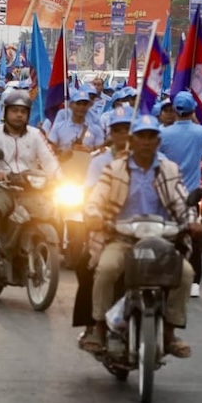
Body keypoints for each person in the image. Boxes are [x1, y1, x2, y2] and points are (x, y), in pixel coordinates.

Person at [81, 114, 198, 357]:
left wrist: (192, 221)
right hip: (122, 238)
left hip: (161, 240)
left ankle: (169, 332)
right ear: (132, 141)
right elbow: (96, 199)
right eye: (141, 137)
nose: (146, 142)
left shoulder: (168, 169)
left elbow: (180, 202)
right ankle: (99, 328)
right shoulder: (114, 169)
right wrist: (93, 214)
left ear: (158, 142)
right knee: (105, 269)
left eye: (151, 137)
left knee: (186, 273)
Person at [0, 90, 60, 270]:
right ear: (5, 112)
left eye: (23, 111)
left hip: (31, 187)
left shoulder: (36, 135)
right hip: (1, 185)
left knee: (52, 210)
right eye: (14, 110)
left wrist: (58, 178)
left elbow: (49, 160)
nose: (19, 115)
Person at [73, 106, 134, 346]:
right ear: (111, 134)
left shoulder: (155, 162)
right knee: (86, 267)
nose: (123, 135)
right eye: (118, 130)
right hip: (109, 230)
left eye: (128, 130)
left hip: (147, 230)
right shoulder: (101, 162)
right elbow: (91, 195)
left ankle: (167, 329)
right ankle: (92, 325)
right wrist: (95, 216)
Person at [159, 91, 202, 288]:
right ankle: (194, 282)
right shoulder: (201, 132)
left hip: (167, 193)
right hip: (191, 196)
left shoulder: (163, 134)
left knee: (162, 234)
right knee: (194, 237)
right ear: (193, 110)